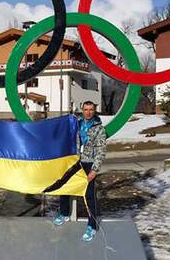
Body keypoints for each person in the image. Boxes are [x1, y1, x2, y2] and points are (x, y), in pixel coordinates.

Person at [52, 101, 106, 242]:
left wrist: (95, 169)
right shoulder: (76, 124)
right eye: (86, 109)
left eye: (91, 109)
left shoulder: (99, 128)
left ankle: (92, 226)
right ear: (82, 110)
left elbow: (101, 150)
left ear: (95, 111)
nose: (88, 112)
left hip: (88, 164)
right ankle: (64, 213)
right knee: (64, 186)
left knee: (89, 195)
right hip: (74, 161)